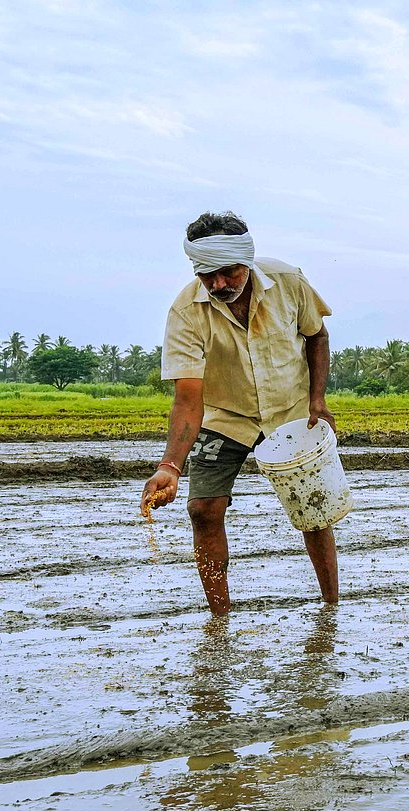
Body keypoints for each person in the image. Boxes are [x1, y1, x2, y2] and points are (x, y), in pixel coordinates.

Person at [140, 211, 339, 613]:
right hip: (224, 414)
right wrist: (170, 466)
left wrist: (317, 399)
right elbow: (187, 398)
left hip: (289, 409)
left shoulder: (288, 282)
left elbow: (316, 336)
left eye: (229, 273)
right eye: (207, 276)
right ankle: (219, 617)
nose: (218, 284)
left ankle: (331, 605)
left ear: (246, 261)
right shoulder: (186, 312)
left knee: (313, 508)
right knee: (202, 509)